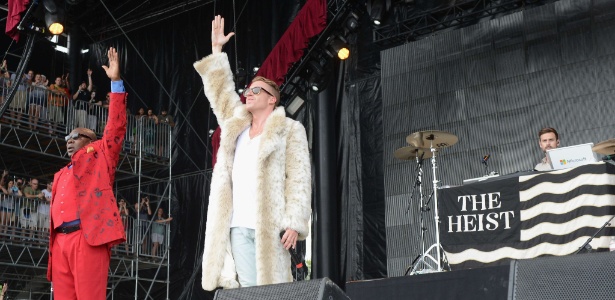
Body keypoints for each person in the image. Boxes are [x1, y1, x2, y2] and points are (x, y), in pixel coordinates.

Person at [194, 15, 312, 290]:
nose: (249, 92)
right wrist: (216, 51)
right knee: (247, 291)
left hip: (270, 225)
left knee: (273, 291)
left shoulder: (290, 130)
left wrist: (294, 222)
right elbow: (221, 94)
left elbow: (299, 179)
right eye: (248, 89)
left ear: (272, 98)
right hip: (237, 224)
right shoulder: (236, 125)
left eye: (257, 90)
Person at [47, 47, 127, 300]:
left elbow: (115, 126)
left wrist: (115, 83)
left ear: (91, 140)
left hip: (87, 237)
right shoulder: (61, 173)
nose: (69, 141)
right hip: (60, 241)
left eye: (75, 136)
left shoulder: (101, 155)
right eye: (67, 137)